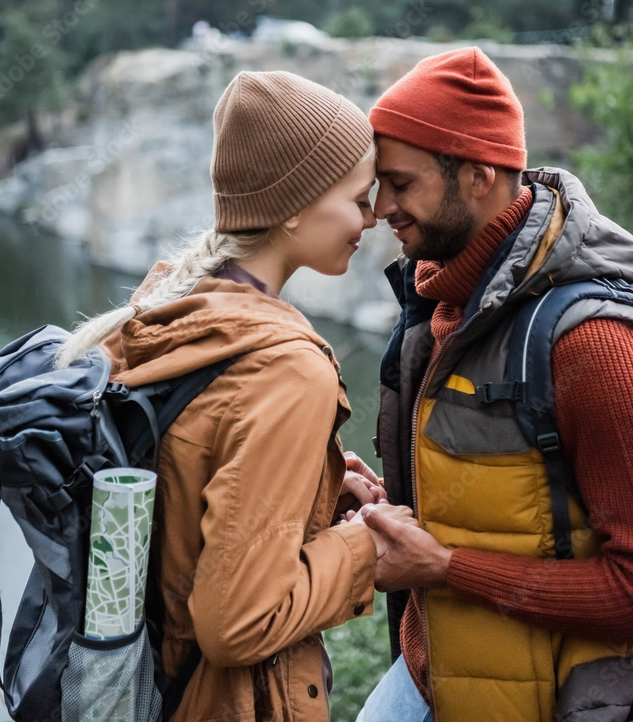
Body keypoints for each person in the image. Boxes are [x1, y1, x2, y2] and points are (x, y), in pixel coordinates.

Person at [57, 70, 388, 722]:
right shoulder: (288, 371)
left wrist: (315, 491)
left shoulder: (170, 306)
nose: (372, 218)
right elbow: (235, 623)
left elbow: (189, 501)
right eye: (359, 197)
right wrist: (367, 548)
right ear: (294, 203)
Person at [356, 46, 633, 722]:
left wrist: (445, 568)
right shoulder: (441, 297)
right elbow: (510, 503)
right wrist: (384, 499)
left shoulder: (591, 347)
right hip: (429, 675)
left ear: (477, 177)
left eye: (398, 183)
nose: (377, 208)